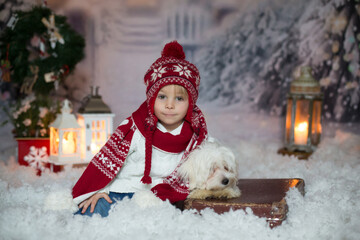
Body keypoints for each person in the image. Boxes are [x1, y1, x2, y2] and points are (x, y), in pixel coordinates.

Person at [72, 41, 208, 217]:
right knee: (94, 211)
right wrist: (102, 190)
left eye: (179, 99)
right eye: (162, 97)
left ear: (191, 103)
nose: (169, 105)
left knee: (166, 219)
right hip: (125, 190)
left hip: (164, 194)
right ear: (151, 98)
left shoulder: (196, 132)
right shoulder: (135, 127)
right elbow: (112, 161)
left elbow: (210, 156)